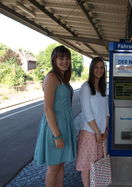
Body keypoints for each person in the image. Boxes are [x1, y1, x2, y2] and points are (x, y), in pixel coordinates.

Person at [34, 45, 77, 187]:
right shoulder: (51, 77)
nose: (65, 61)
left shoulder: (62, 78)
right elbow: (47, 109)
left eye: (67, 58)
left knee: (60, 165)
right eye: (61, 58)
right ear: (54, 60)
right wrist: (57, 135)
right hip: (55, 128)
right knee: (53, 168)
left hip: (63, 125)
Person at [76, 57, 110, 187]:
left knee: (98, 164)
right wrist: (97, 131)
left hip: (101, 133)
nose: (99, 70)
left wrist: (105, 130)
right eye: (96, 67)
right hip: (90, 132)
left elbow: (106, 111)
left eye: (102, 68)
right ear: (91, 69)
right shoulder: (86, 87)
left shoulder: (102, 88)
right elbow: (87, 112)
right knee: (87, 166)